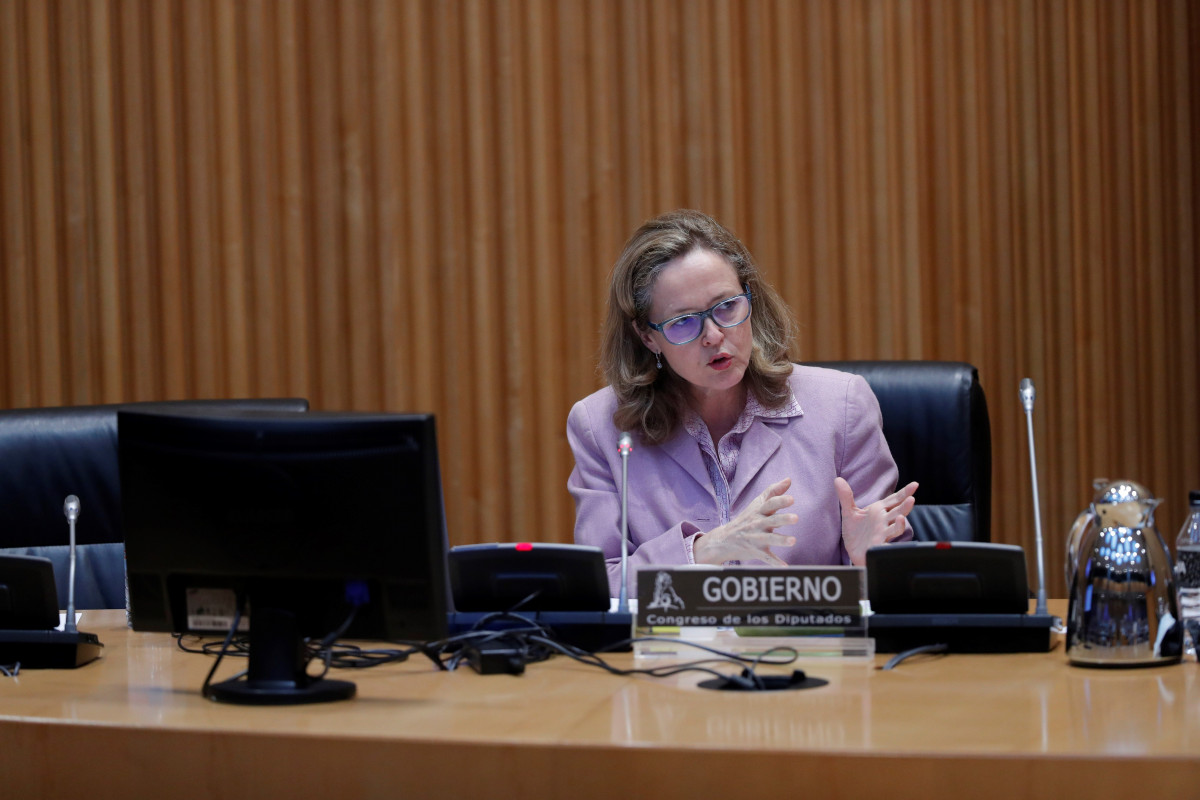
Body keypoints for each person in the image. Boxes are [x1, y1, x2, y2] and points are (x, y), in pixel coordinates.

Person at [567, 209, 918, 597]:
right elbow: (599, 585)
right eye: (683, 321)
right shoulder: (602, 426)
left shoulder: (842, 406)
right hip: (668, 654)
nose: (714, 335)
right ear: (648, 337)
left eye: (726, 306)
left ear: (749, 297)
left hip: (807, 652)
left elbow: (902, 587)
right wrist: (701, 551)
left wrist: (866, 562)